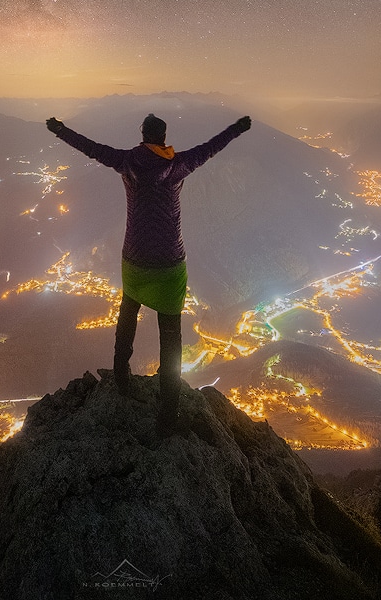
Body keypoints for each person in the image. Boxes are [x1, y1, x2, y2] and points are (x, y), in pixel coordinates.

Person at [45, 110, 252, 434]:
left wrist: (59, 130)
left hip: (135, 259)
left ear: (143, 135)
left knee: (128, 313)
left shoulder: (128, 161)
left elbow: (90, 147)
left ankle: (121, 376)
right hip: (169, 263)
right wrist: (238, 128)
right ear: (164, 137)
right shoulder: (177, 165)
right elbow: (212, 147)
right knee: (171, 337)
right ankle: (169, 415)